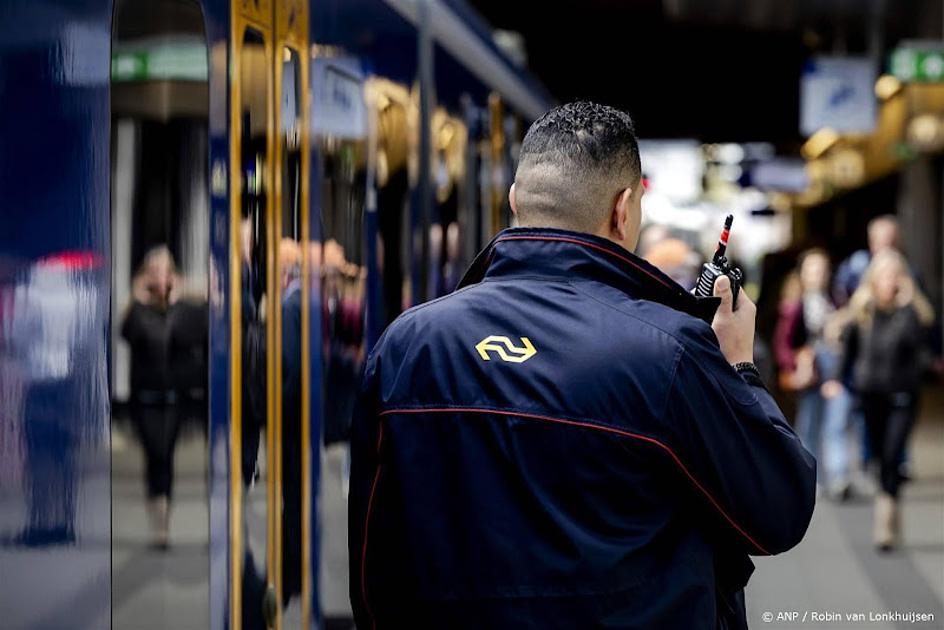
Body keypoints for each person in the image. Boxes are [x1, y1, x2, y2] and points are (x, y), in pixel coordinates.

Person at [349, 102, 816, 629]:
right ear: (623, 209)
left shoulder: (405, 345)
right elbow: (778, 512)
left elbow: (372, 564)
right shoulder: (667, 353)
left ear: (514, 201)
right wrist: (739, 368)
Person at [822, 250, 934, 551]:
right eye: (884, 276)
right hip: (869, 394)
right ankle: (889, 503)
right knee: (874, 458)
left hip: (902, 394)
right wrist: (835, 379)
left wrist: (907, 307)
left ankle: (885, 520)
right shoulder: (862, 312)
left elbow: (918, 345)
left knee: (893, 454)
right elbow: (848, 351)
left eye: (895, 276)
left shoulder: (913, 313)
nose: (889, 282)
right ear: (874, 279)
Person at [774, 249, 852, 499]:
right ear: (803, 274)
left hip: (836, 369)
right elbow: (783, 344)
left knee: (837, 422)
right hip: (811, 370)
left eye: (822, 269)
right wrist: (795, 364)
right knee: (809, 424)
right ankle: (811, 479)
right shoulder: (795, 305)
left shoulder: (837, 299)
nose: (818, 275)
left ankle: (839, 476)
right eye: (812, 270)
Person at [121, 245, 179, 549]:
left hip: (172, 397)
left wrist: (178, 298)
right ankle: (156, 516)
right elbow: (126, 334)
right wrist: (135, 297)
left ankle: (163, 521)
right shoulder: (138, 311)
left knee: (165, 455)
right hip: (144, 398)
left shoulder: (178, 309)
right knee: (154, 454)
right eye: (154, 271)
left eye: (164, 270)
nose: (160, 276)